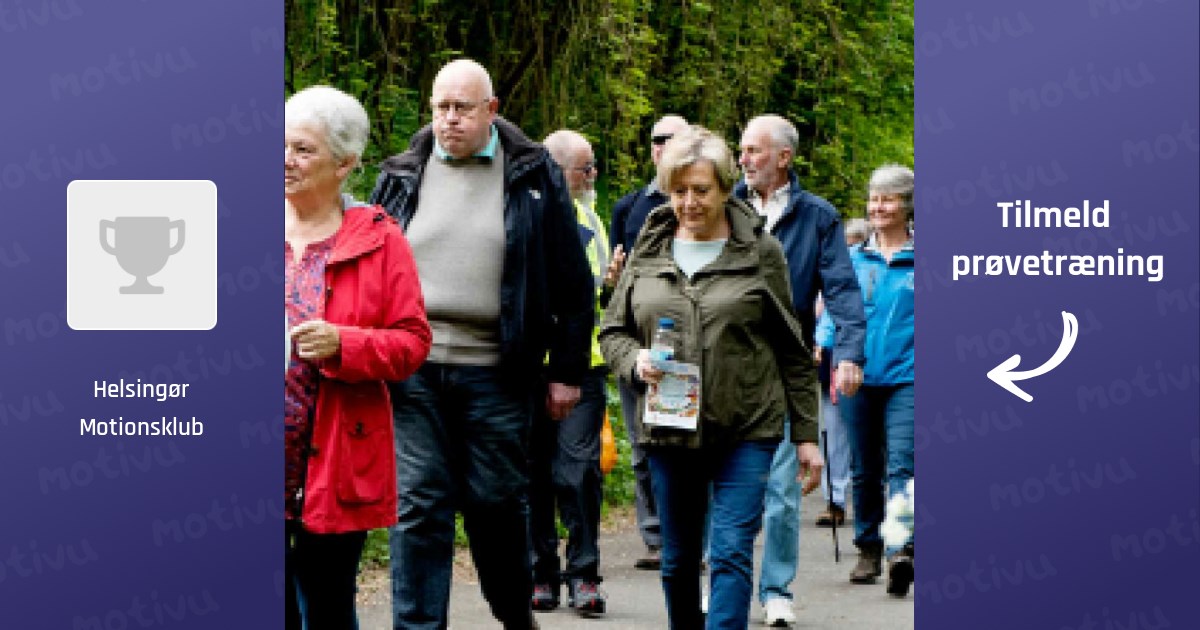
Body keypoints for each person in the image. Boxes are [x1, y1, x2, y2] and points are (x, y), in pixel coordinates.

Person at [369, 59, 594, 630]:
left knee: (495, 506)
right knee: (419, 507)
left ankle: (514, 615)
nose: (449, 120)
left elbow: (571, 280)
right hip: (413, 369)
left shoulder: (532, 173)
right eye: (441, 107)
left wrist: (567, 370)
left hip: (498, 370)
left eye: (462, 108)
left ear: (491, 111)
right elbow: (369, 267)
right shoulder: (401, 173)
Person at [600, 126, 823, 630]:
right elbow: (613, 330)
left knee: (729, 553)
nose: (689, 203)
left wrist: (806, 436)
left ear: (726, 188)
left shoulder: (759, 252)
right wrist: (634, 360)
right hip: (669, 429)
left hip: (747, 427)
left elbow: (791, 348)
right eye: (679, 191)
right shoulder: (649, 247)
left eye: (701, 191)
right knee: (678, 562)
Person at [284, 85, 432, 629]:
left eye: (302, 149)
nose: (285, 160)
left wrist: (344, 344)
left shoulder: (379, 239)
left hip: (339, 453)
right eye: (279, 146)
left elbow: (412, 341)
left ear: (345, 164)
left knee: (327, 605)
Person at [734, 114, 866, 626]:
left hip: (786, 366)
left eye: (754, 151)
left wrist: (850, 352)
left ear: (784, 158)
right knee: (722, 484)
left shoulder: (819, 217)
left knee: (782, 487)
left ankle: (775, 590)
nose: (743, 160)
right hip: (725, 363)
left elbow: (841, 288)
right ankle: (725, 582)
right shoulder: (726, 207)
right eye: (741, 150)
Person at [528, 130, 609, 616]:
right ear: (558, 170)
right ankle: (541, 574)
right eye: (586, 167)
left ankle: (584, 574)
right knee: (532, 474)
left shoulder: (590, 218)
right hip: (528, 369)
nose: (593, 175)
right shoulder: (521, 214)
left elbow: (592, 296)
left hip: (584, 368)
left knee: (578, 472)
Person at [605, 113, 689, 570]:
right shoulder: (628, 207)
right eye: (657, 140)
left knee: (686, 439)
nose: (662, 147)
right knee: (641, 443)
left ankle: (690, 533)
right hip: (637, 340)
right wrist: (612, 283)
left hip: (689, 338)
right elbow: (613, 287)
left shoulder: (712, 202)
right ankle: (655, 537)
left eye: (672, 139)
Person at [839, 165, 915, 589]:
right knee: (865, 468)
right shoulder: (853, 259)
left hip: (910, 377)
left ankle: (899, 548)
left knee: (903, 464)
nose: (877, 207)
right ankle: (868, 547)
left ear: (907, 206)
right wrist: (829, 351)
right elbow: (836, 312)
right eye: (873, 199)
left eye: (887, 199)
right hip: (858, 376)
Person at [813, 218, 871, 529]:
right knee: (834, 430)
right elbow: (831, 311)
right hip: (836, 357)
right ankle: (835, 499)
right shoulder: (836, 270)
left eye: (855, 241)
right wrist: (821, 341)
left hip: (878, 358)